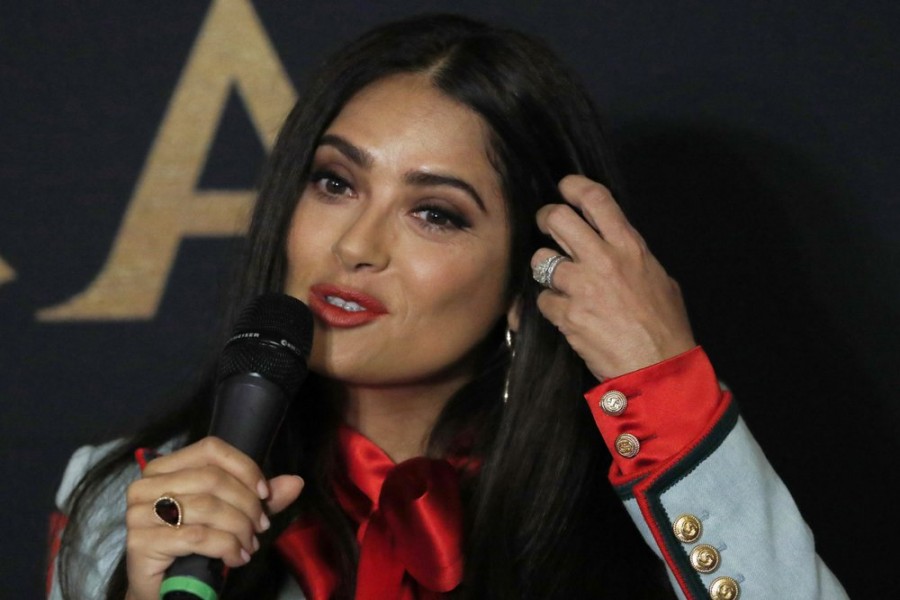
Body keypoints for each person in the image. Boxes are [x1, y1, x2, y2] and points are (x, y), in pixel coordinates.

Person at [48, 13, 848, 600]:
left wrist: (665, 390)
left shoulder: (636, 524)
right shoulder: (137, 498)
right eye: (336, 182)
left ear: (526, 280)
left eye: (435, 212)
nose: (357, 245)